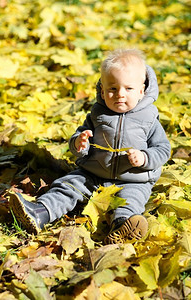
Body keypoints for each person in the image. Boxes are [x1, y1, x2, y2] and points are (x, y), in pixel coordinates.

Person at [9, 49, 171, 244]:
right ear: (102, 90)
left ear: (141, 91)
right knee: (67, 185)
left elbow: (162, 149)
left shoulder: (149, 118)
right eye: (112, 89)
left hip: (134, 179)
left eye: (128, 89)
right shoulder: (98, 114)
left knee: (131, 201)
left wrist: (144, 158)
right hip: (93, 173)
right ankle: (41, 212)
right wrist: (79, 143)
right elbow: (78, 137)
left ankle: (123, 225)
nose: (119, 95)